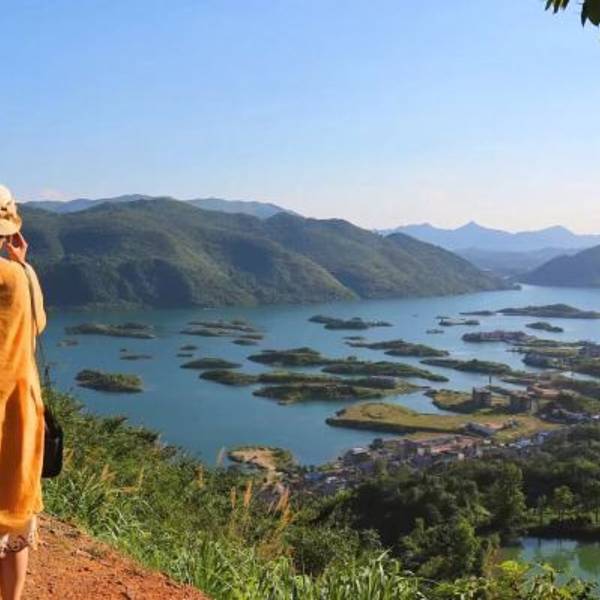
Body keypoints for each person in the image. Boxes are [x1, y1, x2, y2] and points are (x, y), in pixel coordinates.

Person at [0, 185, 46, 600]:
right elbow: (38, 325)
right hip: (16, 413)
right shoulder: (20, 278)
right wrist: (24, 264)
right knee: (13, 516)